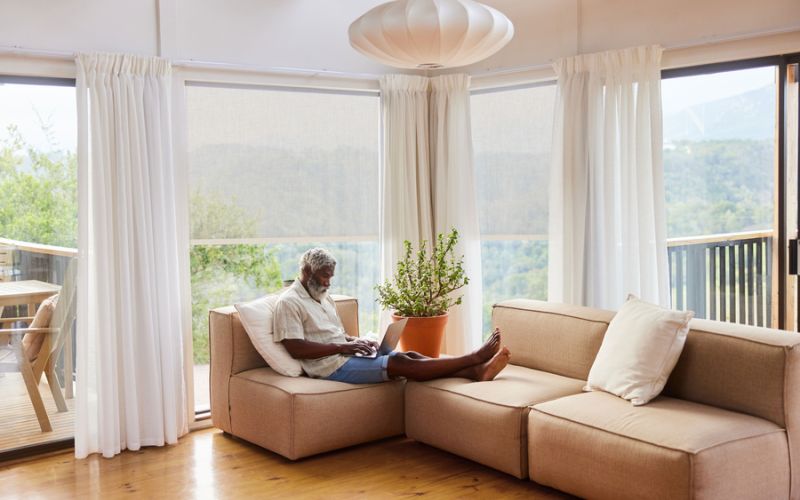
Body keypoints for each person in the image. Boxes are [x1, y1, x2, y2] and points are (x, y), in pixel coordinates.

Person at [273, 247, 511, 384]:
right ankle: (473, 358)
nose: (328, 282)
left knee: (411, 354)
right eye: (325, 276)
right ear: (306, 271)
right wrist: (341, 347)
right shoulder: (289, 302)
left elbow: (332, 334)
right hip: (328, 367)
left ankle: (476, 372)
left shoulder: (324, 297)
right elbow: (296, 348)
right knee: (400, 362)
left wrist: (353, 341)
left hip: (342, 355)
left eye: (331, 276)